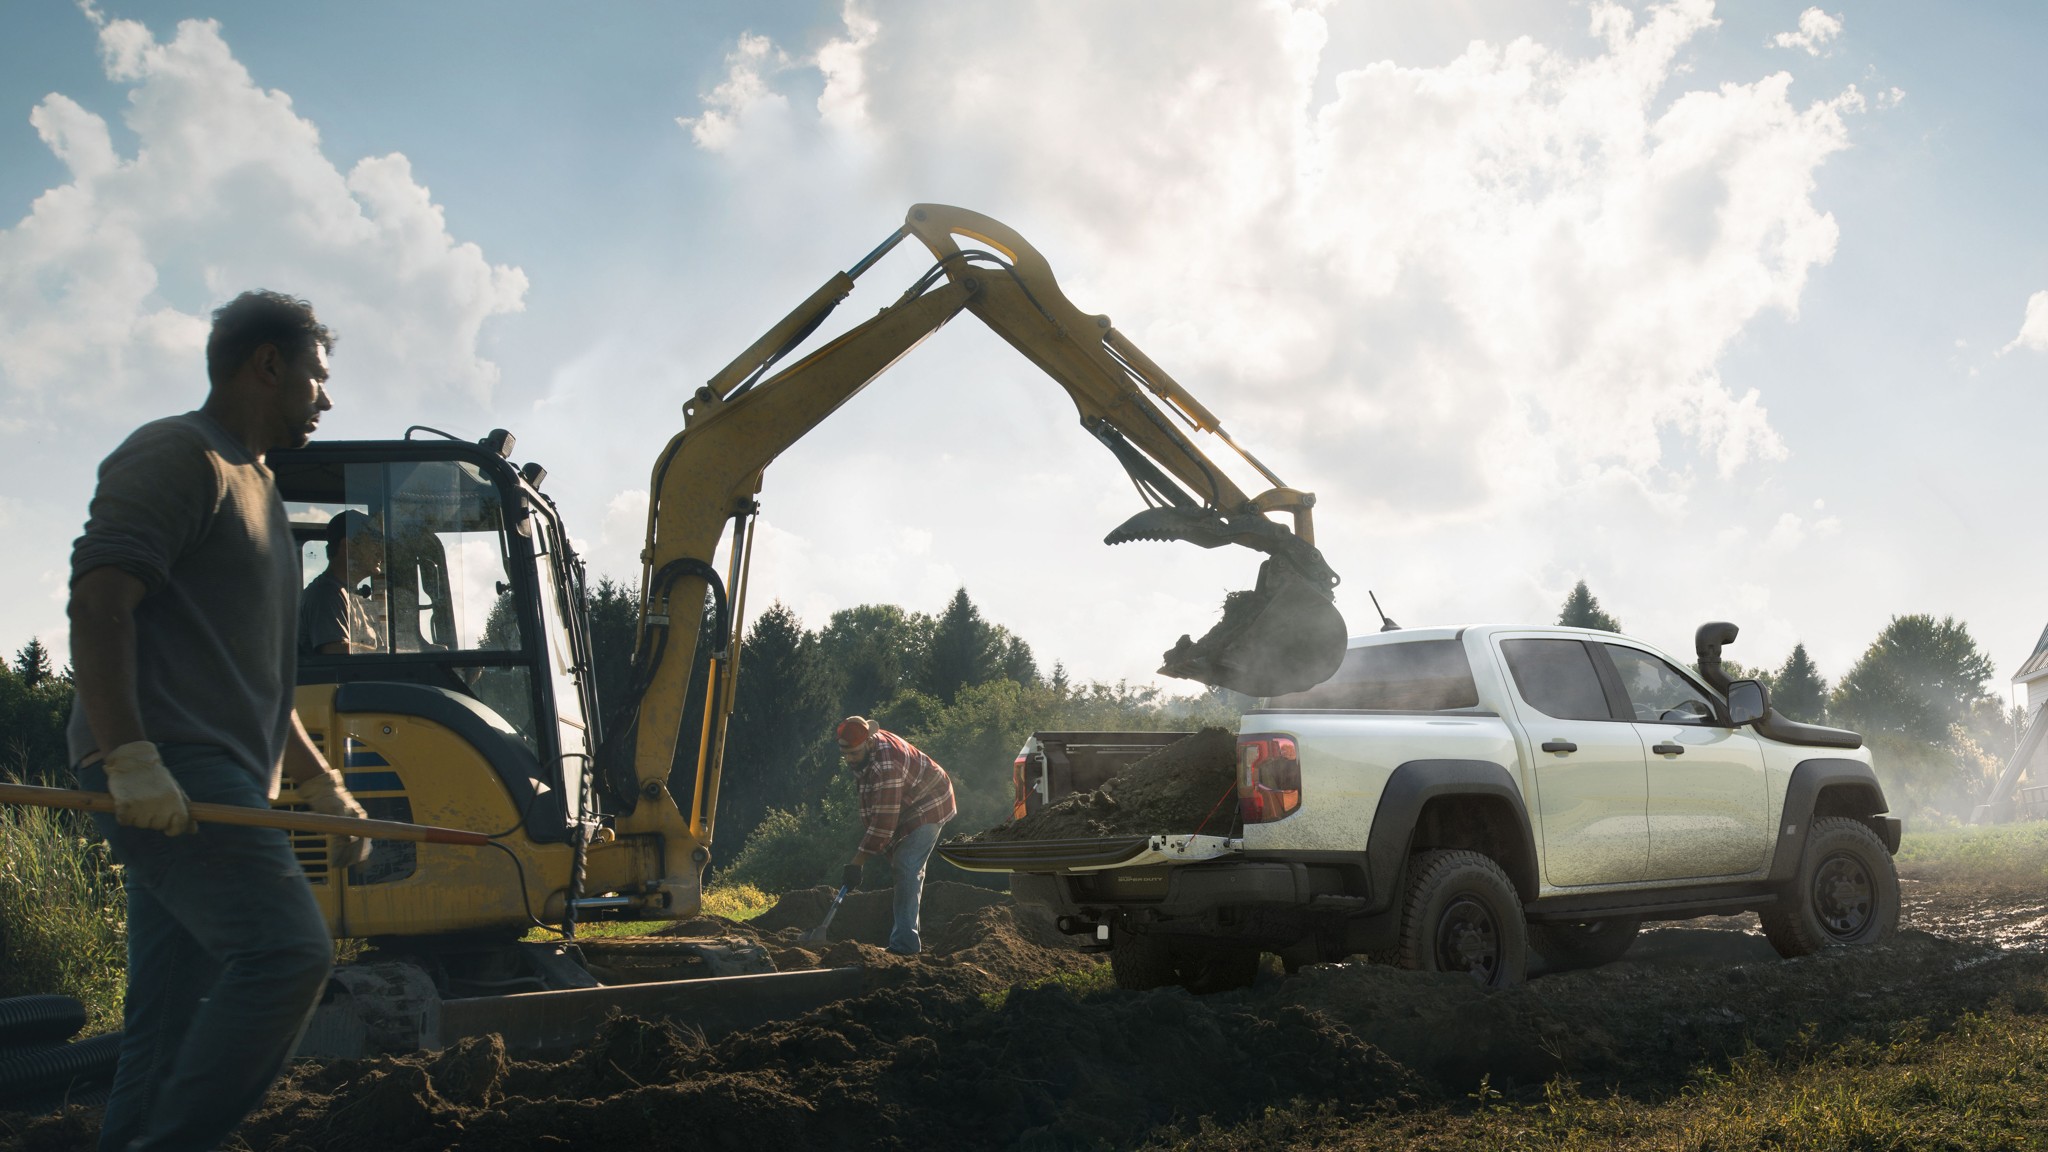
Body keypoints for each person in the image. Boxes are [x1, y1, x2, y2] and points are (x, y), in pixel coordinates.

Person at [67, 290, 374, 1152]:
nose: (326, 398)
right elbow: (99, 602)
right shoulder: (179, 455)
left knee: (169, 1022)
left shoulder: (263, 491)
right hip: (171, 767)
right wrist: (130, 757)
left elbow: (260, 685)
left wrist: (323, 784)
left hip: (211, 777)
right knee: (289, 953)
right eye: (317, 377)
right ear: (267, 365)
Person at [837, 715, 956, 955]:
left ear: (869, 742)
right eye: (845, 754)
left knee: (906, 866)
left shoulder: (887, 765)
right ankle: (906, 939)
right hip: (909, 802)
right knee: (903, 866)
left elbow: (883, 824)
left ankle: (905, 946)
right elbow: (876, 808)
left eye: (854, 753)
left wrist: (857, 862)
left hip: (931, 801)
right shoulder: (868, 753)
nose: (849, 760)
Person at [299, 509, 384, 654]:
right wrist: (386, 655)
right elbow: (334, 650)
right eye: (374, 542)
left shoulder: (351, 595)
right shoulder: (326, 595)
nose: (380, 552)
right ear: (347, 547)